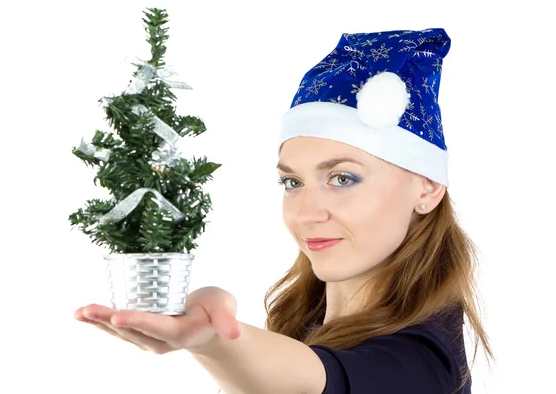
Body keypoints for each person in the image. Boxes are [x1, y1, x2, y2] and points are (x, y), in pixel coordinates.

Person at [75, 28, 494, 393]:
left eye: (343, 179)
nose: (306, 213)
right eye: (292, 183)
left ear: (429, 187)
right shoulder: (299, 326)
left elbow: (325, 380)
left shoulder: (428, 364)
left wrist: (212, 339)